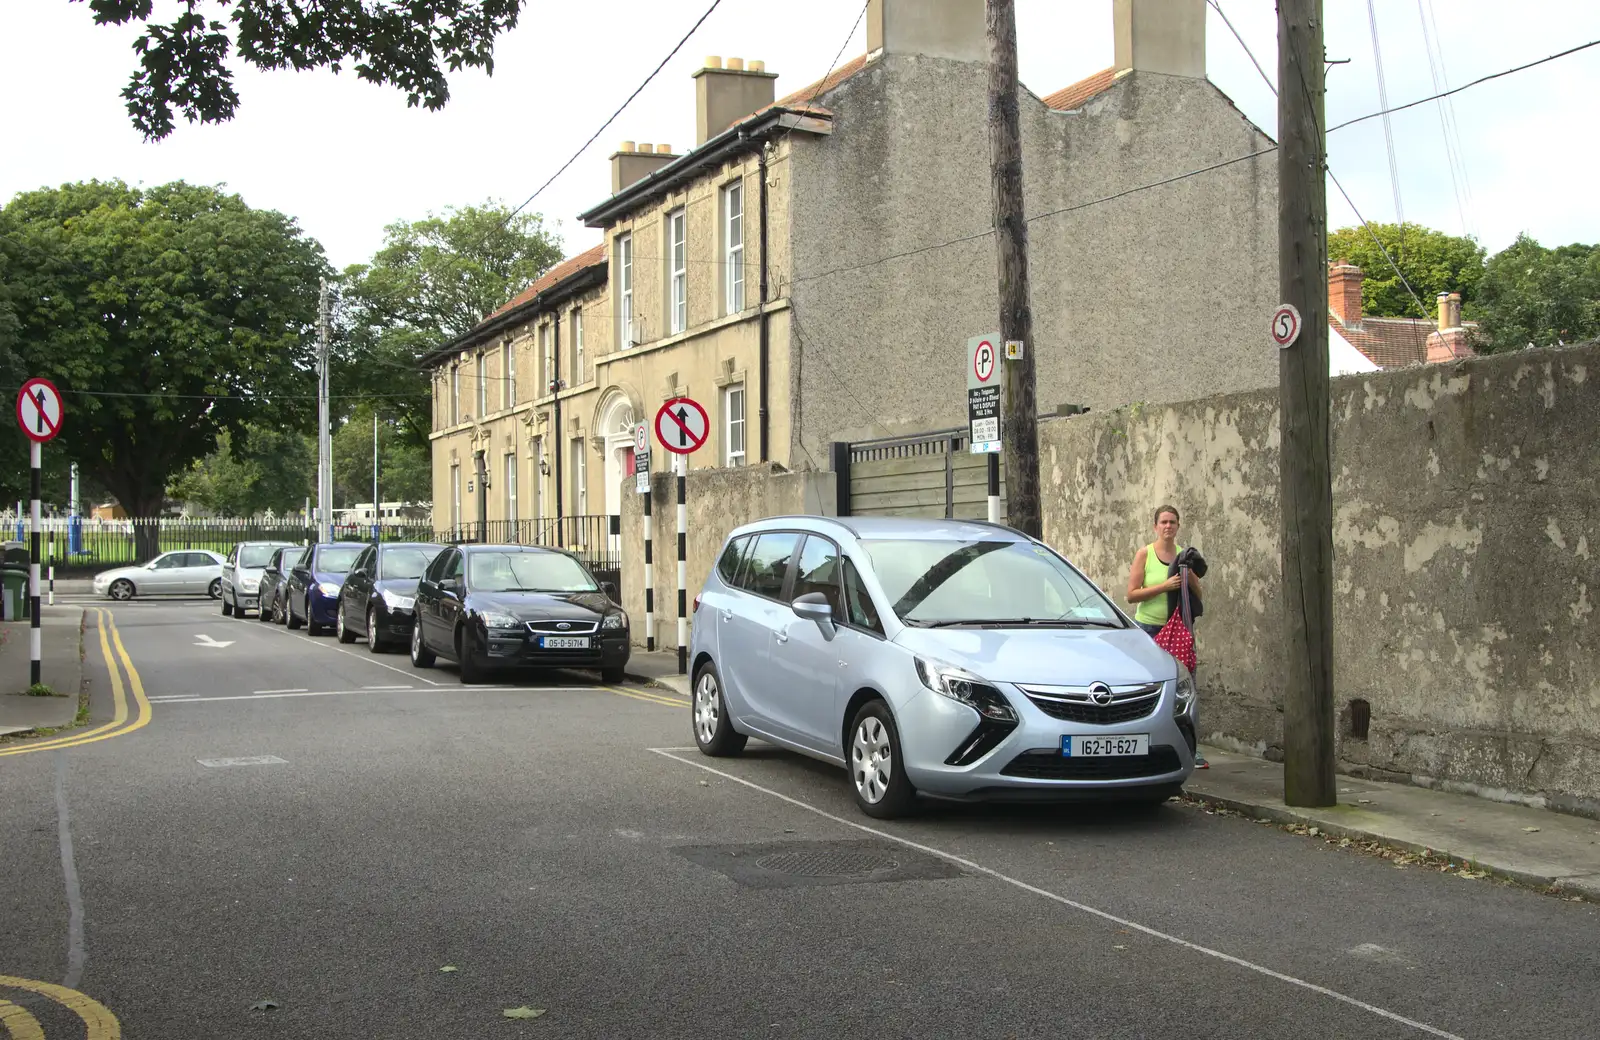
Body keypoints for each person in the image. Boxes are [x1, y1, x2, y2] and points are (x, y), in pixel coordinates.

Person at [1126, 504, 1208, 768]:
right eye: (1163, 522)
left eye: (1173, 522)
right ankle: (1141, 746)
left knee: (1185, 688)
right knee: (1146, 689)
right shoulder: (1145, 554)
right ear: (1155, 526)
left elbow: (1199, 594)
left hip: (1177, 630)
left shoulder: (1184, 556)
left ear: (1178, 526)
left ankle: (1189, 749)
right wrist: (1164, 586)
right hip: (1149, 631)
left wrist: (1189, 576)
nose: (1168, 527)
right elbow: (1131, 594)